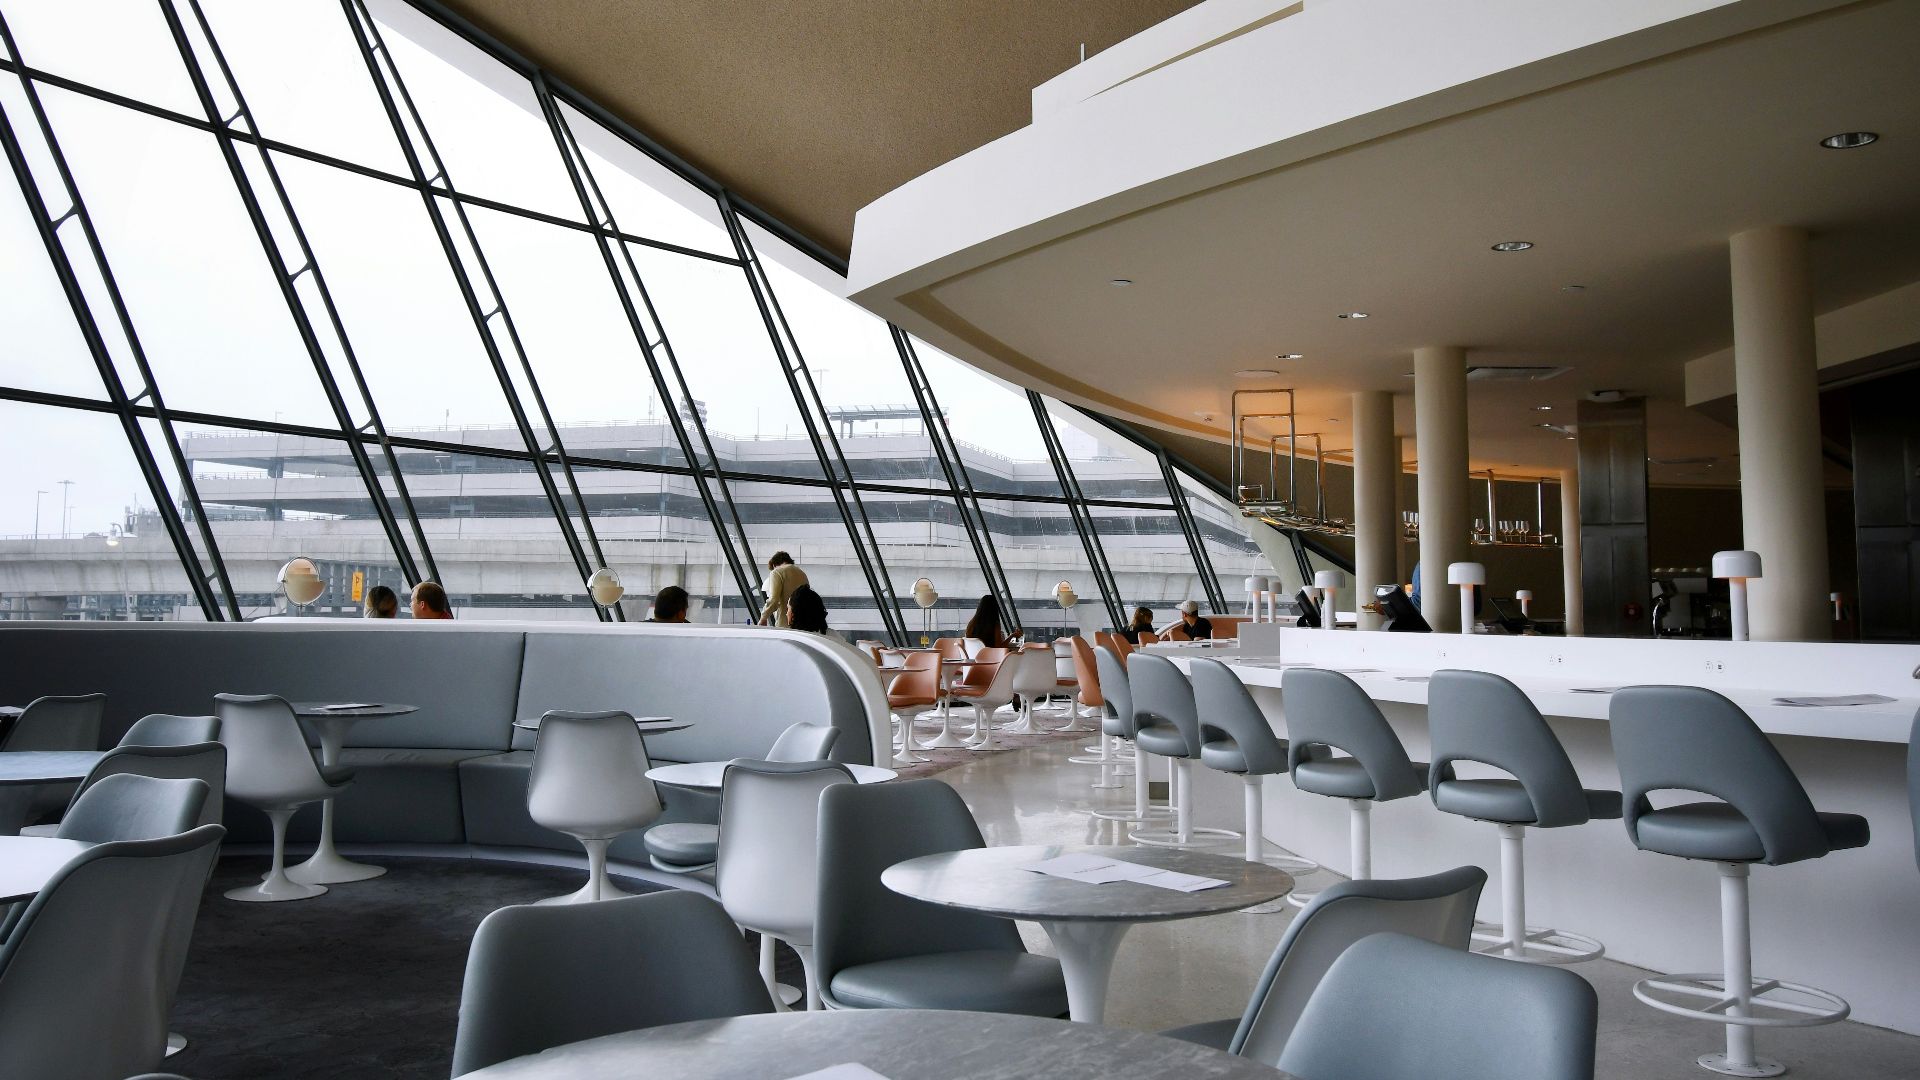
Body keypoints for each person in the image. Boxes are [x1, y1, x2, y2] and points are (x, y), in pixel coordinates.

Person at [758, 551, 809, 627]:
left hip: (785, 623)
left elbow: (774, 600)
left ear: (774, 565)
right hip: (803, 623)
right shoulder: (802, 573)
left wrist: (763, 618)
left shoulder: (777, 572)